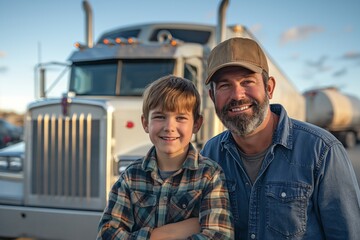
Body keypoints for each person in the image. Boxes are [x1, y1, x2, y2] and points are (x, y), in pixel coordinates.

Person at [200, 37, 360, 239]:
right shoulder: (210, 154)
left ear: (269, 88)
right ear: (212, 96)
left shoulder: (322, 151)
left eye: (247, 82)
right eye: (224, 85)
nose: (237, 95)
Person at [97, 75, 234, 240]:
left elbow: (219, 236)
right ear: (145, 123)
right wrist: (165, 234)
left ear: (197, 124)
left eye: (181, 118)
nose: (169, 127)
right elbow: (106, 234)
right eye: (160, 117)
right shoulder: (131, 176)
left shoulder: (209, 175)